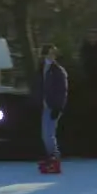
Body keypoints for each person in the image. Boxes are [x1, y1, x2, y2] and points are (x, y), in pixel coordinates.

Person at [32, 44, 68, 174]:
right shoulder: (41, 69)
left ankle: (54, 156)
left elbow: (62, 91)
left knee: (49, 134)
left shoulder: (58, 70)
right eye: (49, 53)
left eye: (53, 54)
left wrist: (58, 107)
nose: (51, 56)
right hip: (44, 105)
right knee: (45, 134)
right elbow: (38, 87)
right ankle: (50, 156)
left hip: (53, 106)